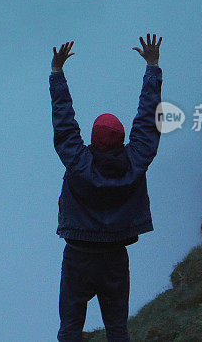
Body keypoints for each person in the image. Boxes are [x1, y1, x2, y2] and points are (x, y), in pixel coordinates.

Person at [50, 35, 163, 341]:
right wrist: (152, 67)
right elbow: (148, 122)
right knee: (117, 329)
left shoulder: (78, 162)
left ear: (92, 138)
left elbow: (64, 124)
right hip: (114, 255)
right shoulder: (136, 160)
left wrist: (57, 75)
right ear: (122, 136)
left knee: (70, 328)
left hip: (78, 255)